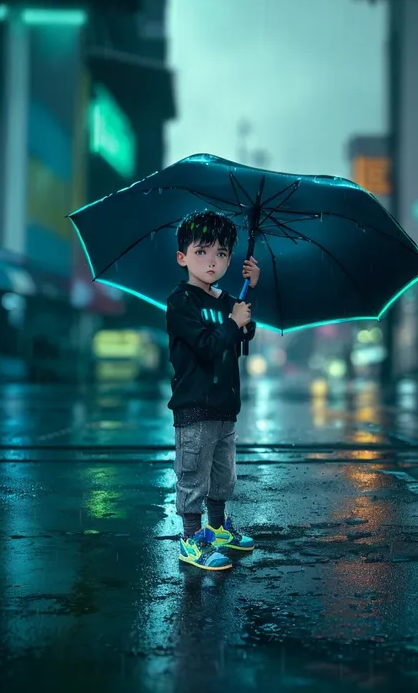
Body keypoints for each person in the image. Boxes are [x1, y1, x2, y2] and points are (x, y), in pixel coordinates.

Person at [166, 210, 260, 571]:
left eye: (221, 254)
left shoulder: (225, 300)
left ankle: (217, 528)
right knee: (193, 476)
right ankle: (191, 539)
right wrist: (233, 323)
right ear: (183, 257)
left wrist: (250, 293)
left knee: (223, 477)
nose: (212, 260)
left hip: (224, 407)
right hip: (194, 405)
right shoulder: (180, 301)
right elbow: (207, 344)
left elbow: (245, 332)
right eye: (202, 251)